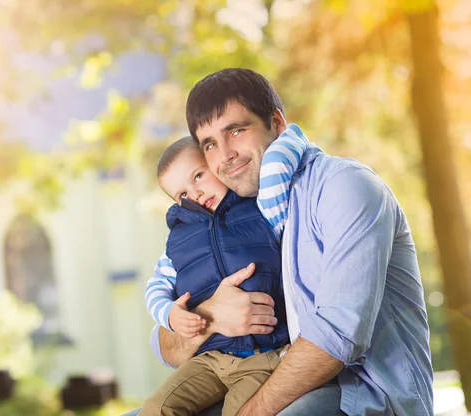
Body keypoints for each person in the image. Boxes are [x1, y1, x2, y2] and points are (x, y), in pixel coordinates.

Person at [135, 68, 433, 416]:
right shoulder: (233, 212)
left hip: (363, 393)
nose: (225, 154)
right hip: (267, 376)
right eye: (211, 144)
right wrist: (210, 317)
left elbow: (337, 336)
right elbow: (165, 347)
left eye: (237, 130)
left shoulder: (345, 187)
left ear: (277, 123)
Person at [140, 128, 308, 416]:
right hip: (208, 359)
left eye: (198, 176)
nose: (196, 193)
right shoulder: (178, 241)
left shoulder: (260, 207)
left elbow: (280, 158)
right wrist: (169, 314)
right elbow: (156, 287)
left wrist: (289, 133)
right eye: (182, 194)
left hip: (262, 357)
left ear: (216, 163)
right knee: (157, 409)